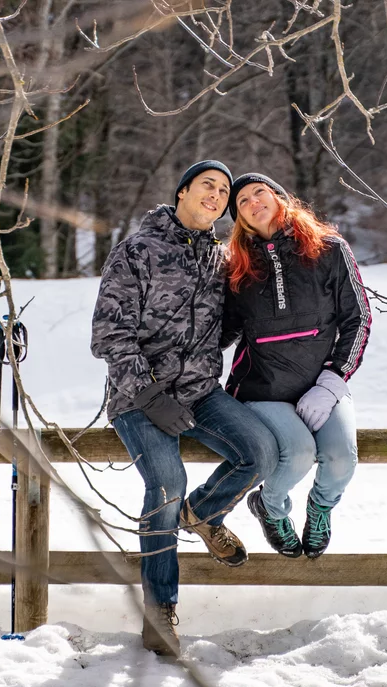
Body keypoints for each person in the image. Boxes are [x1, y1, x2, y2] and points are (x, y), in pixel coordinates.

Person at [90, 161, 278, 658]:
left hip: (198, 392)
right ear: (181, 193)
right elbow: (109, 335)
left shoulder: (220, 258)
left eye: (223, 190)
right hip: (139, 397)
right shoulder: (137, 251)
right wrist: (151, 396)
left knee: (260, 451)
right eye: (207, 186)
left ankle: (203, 513)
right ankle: (160, 613)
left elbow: (227, 328)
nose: (216, 195)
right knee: (166, 484)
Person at [221, 172, 372, 560]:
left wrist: (332, 382)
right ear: (239, 219)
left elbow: (359, 318)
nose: (254, 202)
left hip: (322, 385)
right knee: (299, 454)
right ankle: (269, 507)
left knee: (341, 459)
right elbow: (221, 332)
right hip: (261, 387)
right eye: (242, 202)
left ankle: (320, 509)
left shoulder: (329, 249)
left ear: (280, 197)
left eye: (260, 192)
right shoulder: (237, 267)